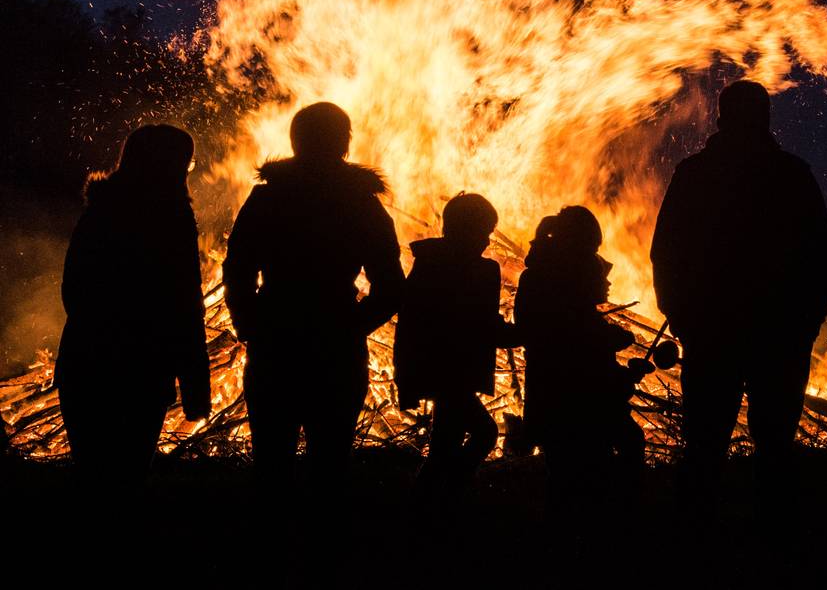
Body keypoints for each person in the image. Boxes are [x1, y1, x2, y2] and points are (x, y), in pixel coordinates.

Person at [650, 80, 827, 529]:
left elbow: (667, 250)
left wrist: (680, 314)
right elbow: (819, 255)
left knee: (705, 442)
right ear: (765, 118)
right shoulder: (791, 173)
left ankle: (694, 537)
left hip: (715, 332)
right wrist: (805, 322)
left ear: (721, 117)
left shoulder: (695, 174)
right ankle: (776, 537)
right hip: (778, 334)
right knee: (775, 442)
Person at [222, 102, 404, 494]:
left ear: (295, 140)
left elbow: (237, 270)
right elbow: (390, 287)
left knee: (272, 465)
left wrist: (251, 322)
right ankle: (323, 545)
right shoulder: (362, 205)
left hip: (276, 344)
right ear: (345, 143)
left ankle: (273, 545)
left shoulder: (267, 200)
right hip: (334, 351)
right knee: (330, 464)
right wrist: (350, 327)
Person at [55, 124, 212, 489]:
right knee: (127, 480)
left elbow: (73, 291)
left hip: (85, 368)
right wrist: (195, 390)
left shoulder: (98, 212)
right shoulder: (172, 218)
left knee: (92, 479)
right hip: (142, 373)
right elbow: (184, 306)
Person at [514, 207, 646, 509]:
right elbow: (583, 350)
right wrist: (621, 359)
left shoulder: (535, 276)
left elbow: (546, 334)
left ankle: (562, 542)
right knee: (598, 467)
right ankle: (620, 524)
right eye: (593, 248)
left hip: (547, 399)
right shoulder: (575, 274)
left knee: (561, 479)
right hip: (583, 408)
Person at [394, 192, 517, 501]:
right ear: (460, 230)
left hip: (449, 375)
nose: (487, 241)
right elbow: (475, 324)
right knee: (483, 433)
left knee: (443, 448)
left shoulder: (436, 266)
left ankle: (432, 505)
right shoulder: (450, 269)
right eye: (482, 232)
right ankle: (445, 498)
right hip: (449, 375)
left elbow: (482, 324)